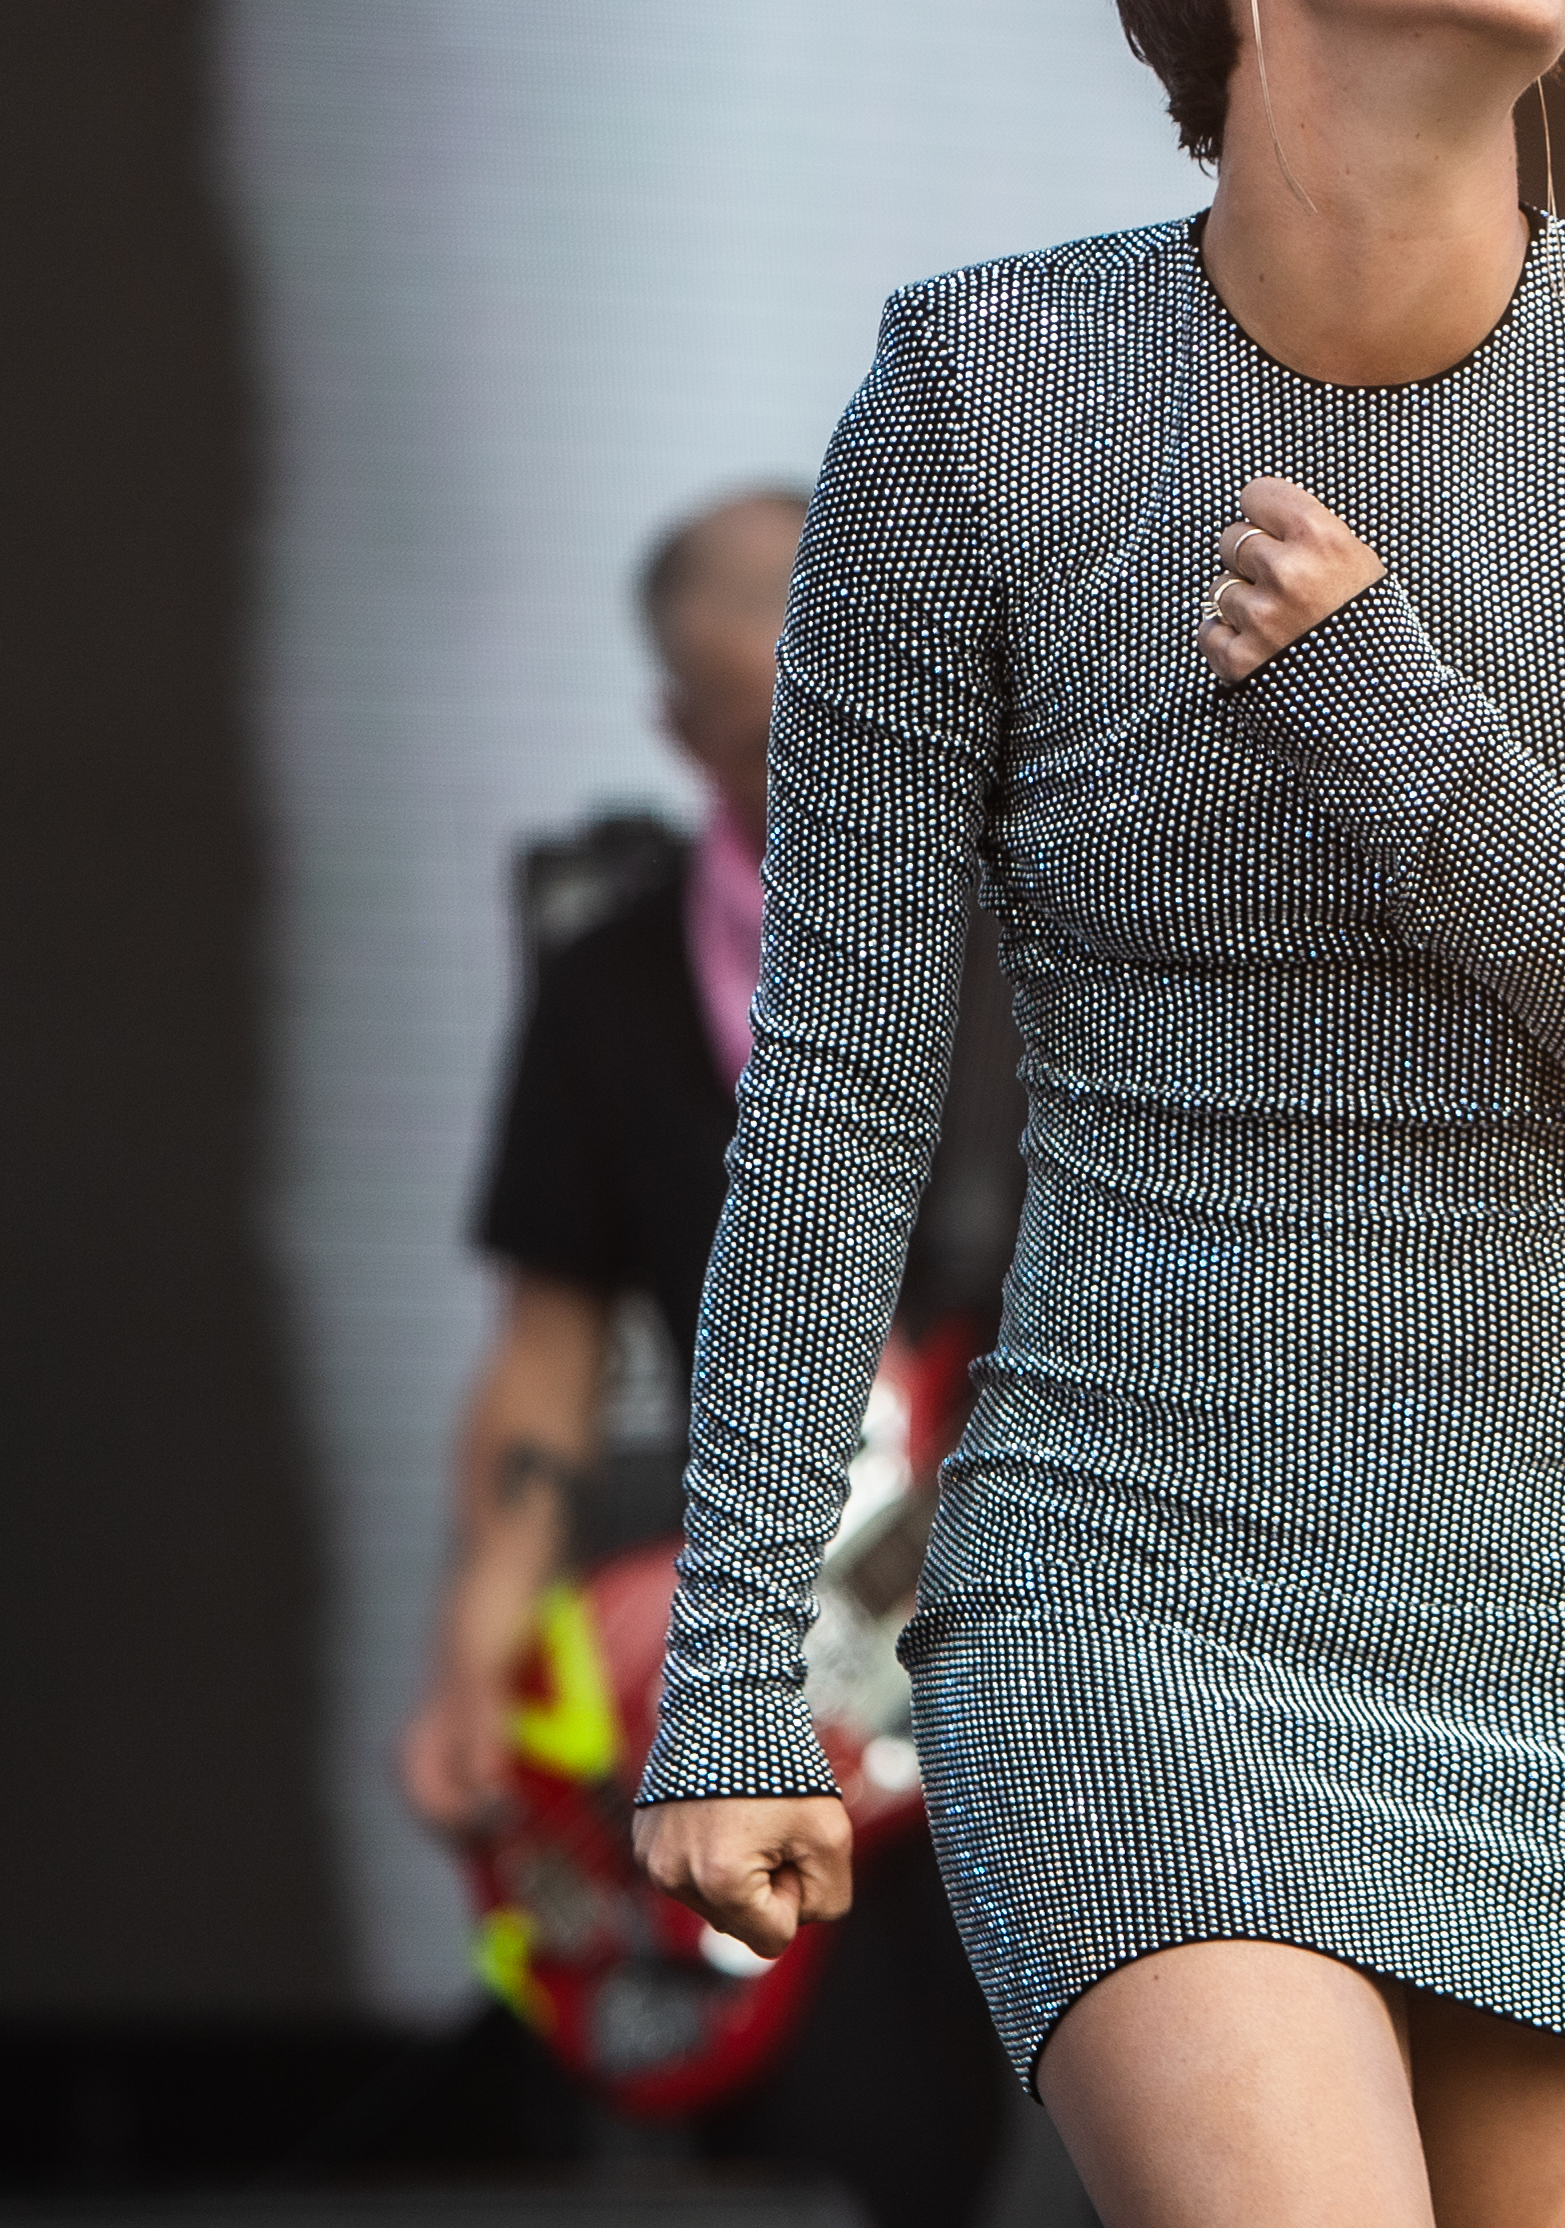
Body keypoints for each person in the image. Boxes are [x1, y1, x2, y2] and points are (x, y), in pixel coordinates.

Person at [630, 0, 1565, 2228]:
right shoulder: (988, 399)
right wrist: (735, 1668)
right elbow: (843, 1089)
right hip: (1143, 1593)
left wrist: (1398, 731)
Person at [410, 485, 1024, 2228]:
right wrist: (476, 1660)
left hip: (1078, 1626)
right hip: (778, 1670)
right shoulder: (613, 978)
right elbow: (545, 1353)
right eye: (764, 733)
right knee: (855, 2163)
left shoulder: (1058, 933)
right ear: (679, 730)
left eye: (853, 702)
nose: (821, 767)